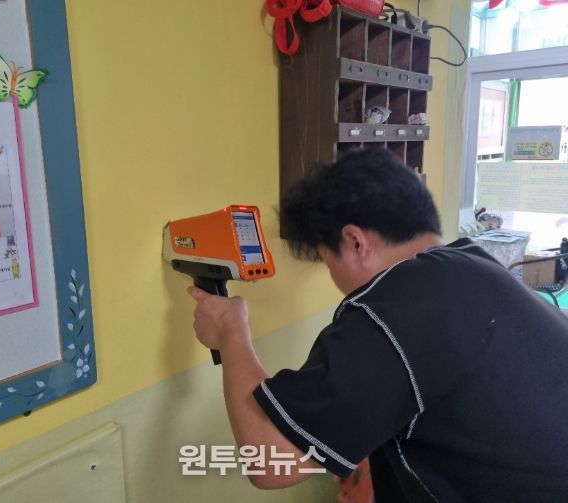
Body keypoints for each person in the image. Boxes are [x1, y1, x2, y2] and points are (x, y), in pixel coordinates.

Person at [187, 147, 568, 502]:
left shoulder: (394, 306)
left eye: (328, 262)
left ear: (356, 242)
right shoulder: (473, 265)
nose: (335, 279)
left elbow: (272, 461)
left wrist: (230, 331)